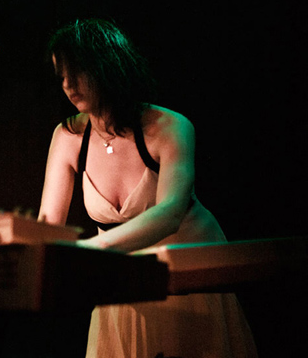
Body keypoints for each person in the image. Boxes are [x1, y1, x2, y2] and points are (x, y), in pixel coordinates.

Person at [38, 18, 258, 358]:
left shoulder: (170, 126)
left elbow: (169, 213)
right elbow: (48, 224)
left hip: (187, 276)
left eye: (77, 71)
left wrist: (92, 250)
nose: (68, 84)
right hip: (121, 280)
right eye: (61, 74)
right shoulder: (67, 136)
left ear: (108, 65)